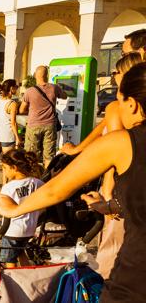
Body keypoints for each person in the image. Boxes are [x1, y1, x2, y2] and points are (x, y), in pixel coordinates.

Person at [0, 61, 146, 301]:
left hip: (136, 277)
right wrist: (112, 206)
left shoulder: (123, 142)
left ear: (132, 104)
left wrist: (14, 208)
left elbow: (56, 189)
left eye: (119, 101)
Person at [60, 52, 144, 279]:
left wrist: (107, 193)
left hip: (118, 186)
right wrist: (77, 149)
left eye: (117, 71)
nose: (114, 75)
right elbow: (102, 129)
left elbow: (113, 152)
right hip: (135, 184)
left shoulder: (118, 106)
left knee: (113, 250)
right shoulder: (125, 107)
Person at [0, 149, 44, 267]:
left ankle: (11, 276)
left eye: (5, 168)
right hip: (30, 229)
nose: (4, 171)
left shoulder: (9, 187)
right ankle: (27, 273)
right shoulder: (37, 183)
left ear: (14, 168)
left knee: (9, 259)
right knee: (21, 251)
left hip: (12, 229)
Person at [18, 65, 67, 166]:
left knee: (31, 155)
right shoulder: (54, 88)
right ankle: (46, 175)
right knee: (49, 155)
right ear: (47, 75)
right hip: (50, 125)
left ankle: (34, 173)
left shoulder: (30, 91)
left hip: (33, 126)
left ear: (35, 75)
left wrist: (32, 110)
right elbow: (65, 96)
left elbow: (21, 110)